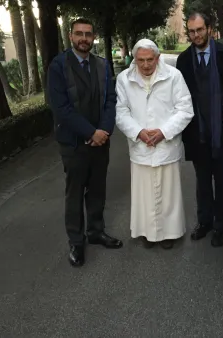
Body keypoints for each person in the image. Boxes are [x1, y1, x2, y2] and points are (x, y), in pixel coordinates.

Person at [48, 18, 123, 267]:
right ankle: (76, 242)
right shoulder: (58, 66)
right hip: (74, 143)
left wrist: (105, 130)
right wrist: (92, 132)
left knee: (98, 189)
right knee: (74, 192)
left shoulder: (102, 65)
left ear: (94, 37)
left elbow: (111, 100)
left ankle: (96, 231)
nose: (84, 38)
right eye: (79, 34)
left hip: (101, 141)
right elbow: (61, 108)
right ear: (71, 36)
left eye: (88, 34)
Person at [116, 39, 194, 249]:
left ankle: (170, 233)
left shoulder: (174, 76)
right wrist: (139, 132)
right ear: (135, 59)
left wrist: (163, 132)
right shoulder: (124, 79)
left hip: (166, 144)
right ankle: (146, 233)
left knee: (169, 195)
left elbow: (185, 109)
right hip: (141, 146)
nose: (146, 65)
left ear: (158, 58)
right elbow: (121, 112)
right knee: (143, 196)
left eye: (150, 60)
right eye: (141, 60)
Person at [176, 13, 223, 247]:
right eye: (192, 31)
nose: (196, 35)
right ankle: (204, 222)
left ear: (210, 29)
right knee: (202, 180)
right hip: (197, 132)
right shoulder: (183, 60)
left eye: (200, 30)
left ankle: (220, 226)